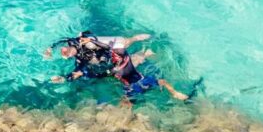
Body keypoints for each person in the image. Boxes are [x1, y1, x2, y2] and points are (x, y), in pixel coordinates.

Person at [48, 31, 189, 100]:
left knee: (128, 49)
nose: (66, 53)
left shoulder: (76, 42)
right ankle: (145, 52)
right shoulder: (81, 60)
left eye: (65, 51)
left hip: (116, 64)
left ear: (65, 48)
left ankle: (141, 43)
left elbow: (106, 49)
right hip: (117, 66)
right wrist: (64, 78)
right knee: (132, 60)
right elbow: (79, 72)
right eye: (65, 54)